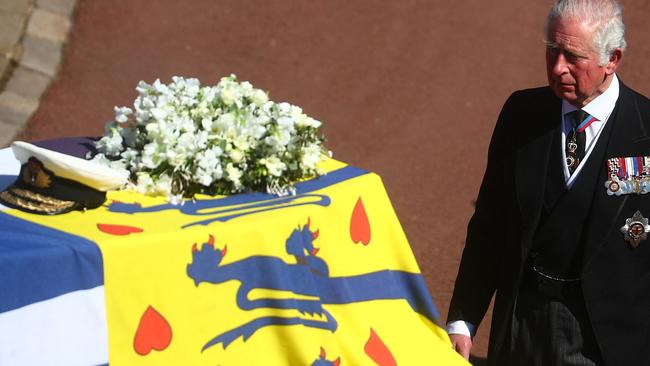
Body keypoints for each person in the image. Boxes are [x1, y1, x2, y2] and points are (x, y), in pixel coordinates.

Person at [446, 0, 650, 365]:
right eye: (553, 51)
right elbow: (490, 225)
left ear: (612, 60)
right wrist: (464, 318)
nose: (558, 68)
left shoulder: (647, 129)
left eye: (573, 57)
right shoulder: (521, 115)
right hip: (523, 327)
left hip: (608, 342)